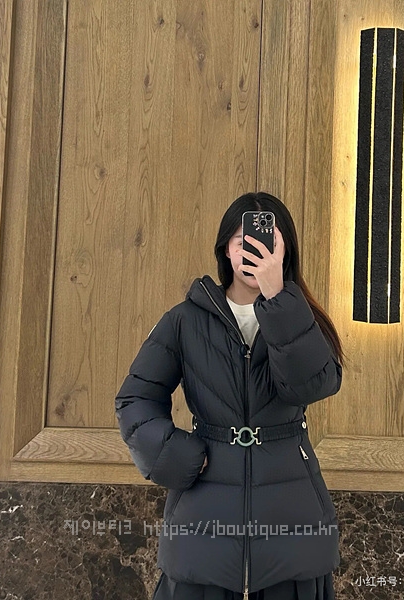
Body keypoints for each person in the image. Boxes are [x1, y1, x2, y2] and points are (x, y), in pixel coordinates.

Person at [115, 192, 345, 600]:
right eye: (243, 242)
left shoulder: (302, 318)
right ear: (226, 249)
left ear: (285, 251)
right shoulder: (185, 320)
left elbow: (313, 385)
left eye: (268, 243)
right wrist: (177, 456)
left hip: (292, 518)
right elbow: (135, 399)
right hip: (203, 522)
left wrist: (279, 301)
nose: (255, 252)